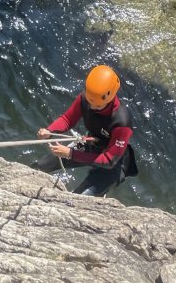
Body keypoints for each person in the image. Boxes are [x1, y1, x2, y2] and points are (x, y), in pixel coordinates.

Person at [34, 65, 137, 197]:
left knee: (77, 199)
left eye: (98, 105)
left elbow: (109, 160)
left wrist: (70, 153)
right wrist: (49, 130)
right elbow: (67, 119)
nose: (93, 107)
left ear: (110, 97)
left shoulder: (121, 122)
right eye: (90, 101)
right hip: (92, 145)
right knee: (40, 166)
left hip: (112, 165)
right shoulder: (87, 98)